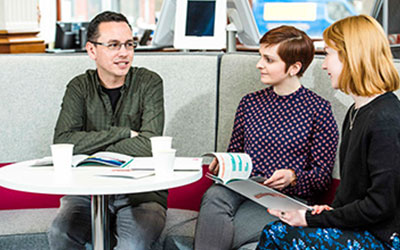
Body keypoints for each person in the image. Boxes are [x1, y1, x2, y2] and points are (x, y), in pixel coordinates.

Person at [257, 15, 400, 250]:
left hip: (384, 239)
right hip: (364, 228)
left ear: (351, 57)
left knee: (277, 234)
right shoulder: (357, 111)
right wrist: (329, 211)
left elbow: (380, 205)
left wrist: (310, 218)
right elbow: (353, 193)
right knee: (279, 230)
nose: (323, 65)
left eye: (328, 54)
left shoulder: (385, 119)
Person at [194, 26, 339, 250]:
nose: (259, 64)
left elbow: (322, 178)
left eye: (269, 60)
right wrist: (224, 163)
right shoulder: (249, 103)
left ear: (294, 68)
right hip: (242, 187)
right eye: (261, 56)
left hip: (285, 198)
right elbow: (236, 153)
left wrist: (293, 176)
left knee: (227, 230)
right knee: (214, 196)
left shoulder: (319, 109)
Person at [47, 11, 166, 250]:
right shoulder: (79, 87)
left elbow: (148, 145)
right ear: (92, 50)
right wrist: (123, 133)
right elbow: (62, 142)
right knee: (60, 233)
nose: (124, 53)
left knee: (133, 244)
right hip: (86, 191)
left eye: (129, 44)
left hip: (140, 194)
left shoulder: (149, 82)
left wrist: (91, 148)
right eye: (113, 45)